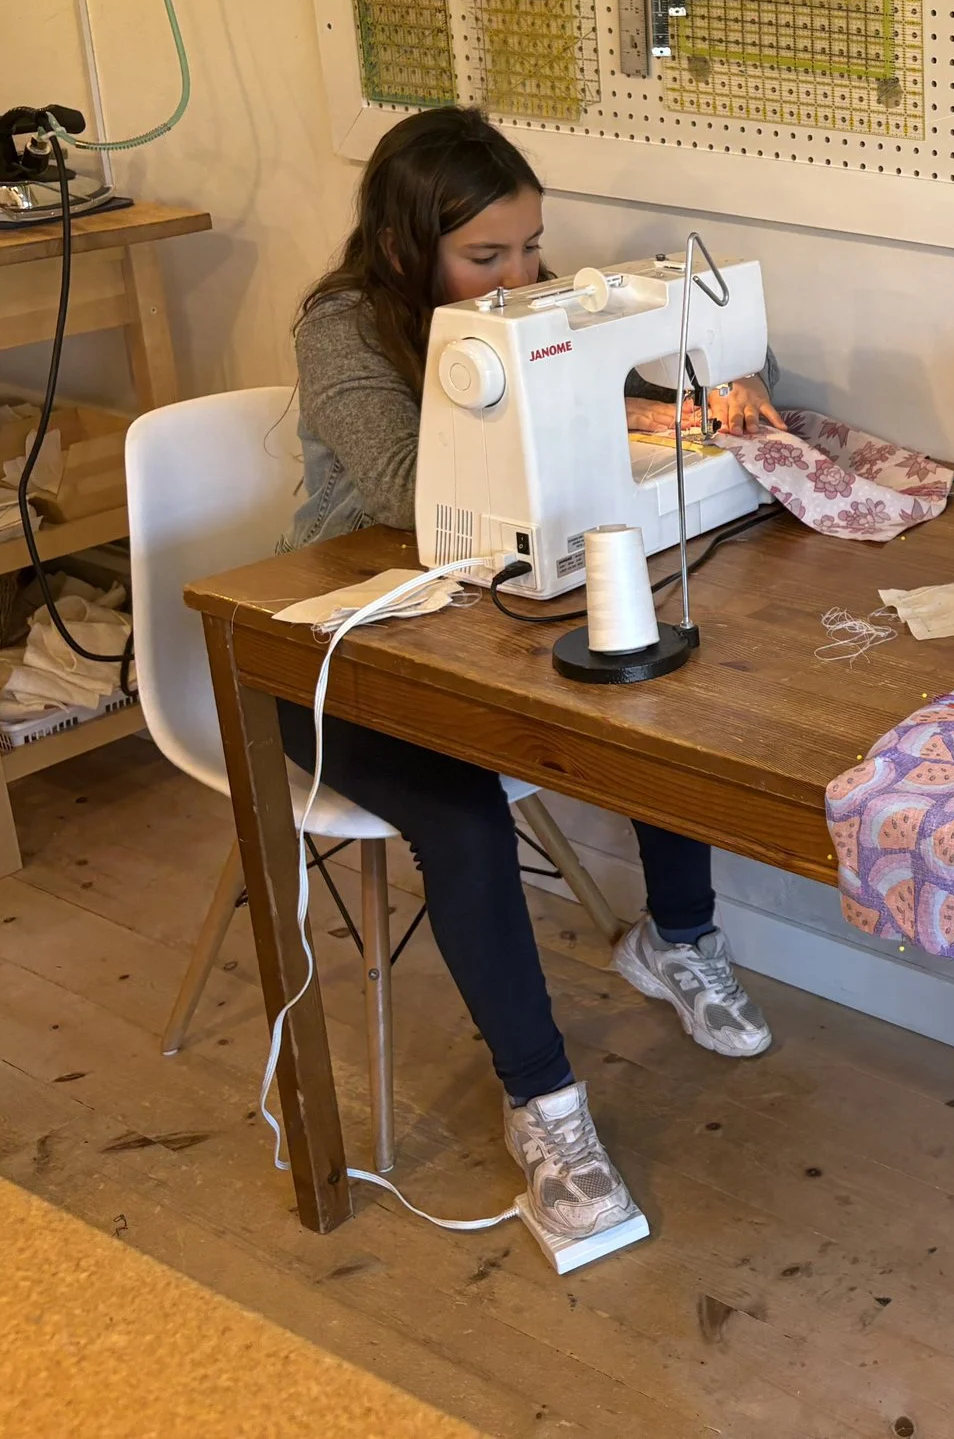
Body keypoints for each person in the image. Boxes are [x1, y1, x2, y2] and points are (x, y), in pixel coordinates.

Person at [286, 106, 784, 1247]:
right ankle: (544, 1109)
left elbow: (561, 402)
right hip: (342, 642)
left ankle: (678, 941)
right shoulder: (343, 332)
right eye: (488, 255)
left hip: (485, 617)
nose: (519, 274)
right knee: (460, 820)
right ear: (410, 250)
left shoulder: (512, 307)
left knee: (653, 675)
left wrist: (684, 403)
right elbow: (420, 485)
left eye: (531, 249)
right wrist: (590, 398)